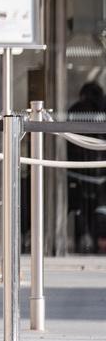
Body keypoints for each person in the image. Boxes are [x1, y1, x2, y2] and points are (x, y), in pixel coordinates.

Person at [67, 81, 106, 253]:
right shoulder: (102, 109)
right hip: (99, 170)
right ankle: (98, 241)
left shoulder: (75, 109)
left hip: (78, 169)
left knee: (80, 209)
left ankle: (81, 241)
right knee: (97, 208)